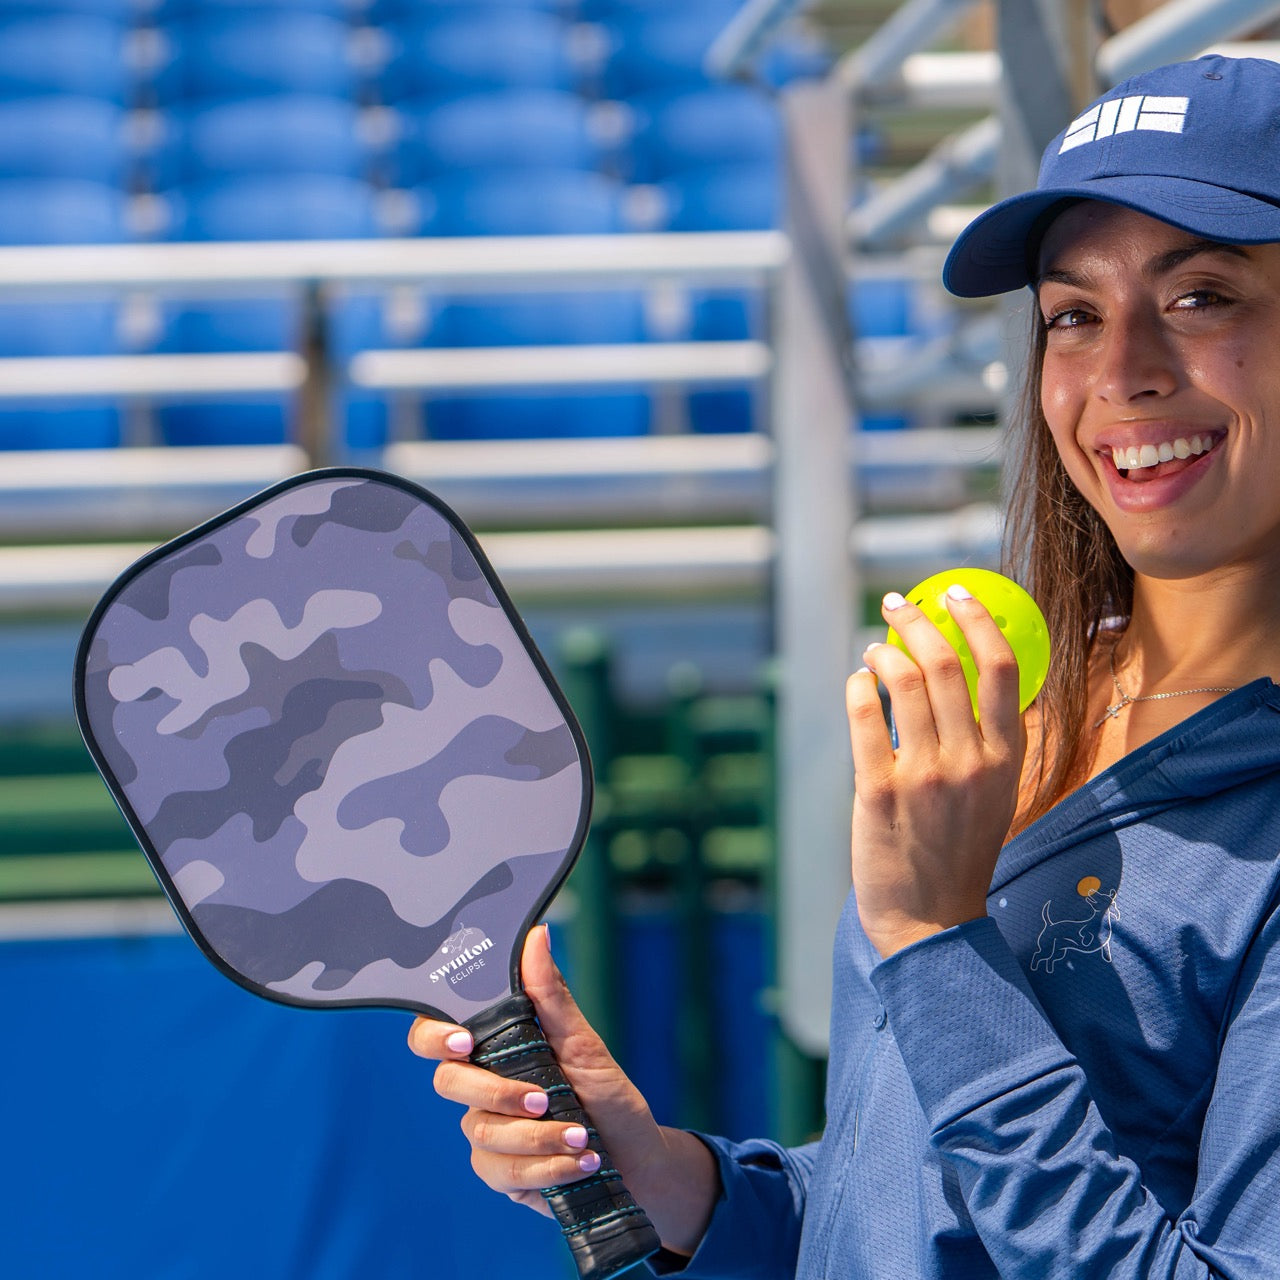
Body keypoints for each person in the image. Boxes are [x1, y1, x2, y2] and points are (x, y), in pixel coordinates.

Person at [409, 54, 1280, 1276]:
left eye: (1199, 296)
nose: (1121, 368)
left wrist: (932, 932)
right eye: (1071, 314)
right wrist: (673, 1179)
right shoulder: (1022, 714)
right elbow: (901, 1192)